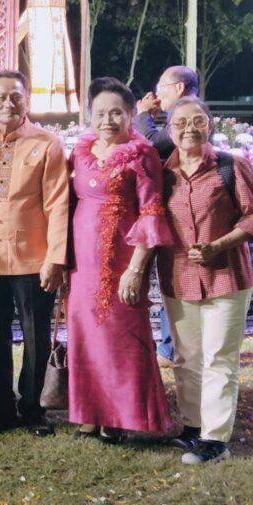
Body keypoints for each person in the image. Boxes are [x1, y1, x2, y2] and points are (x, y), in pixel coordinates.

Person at [157, 97, 253, 464]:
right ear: (169, 130)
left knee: (220, 357)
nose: (189, 129)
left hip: (227, 276)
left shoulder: (231, 166)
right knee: (186, 358)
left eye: (197, 121)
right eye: (180, 122)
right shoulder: (162, 174)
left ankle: (215, 439)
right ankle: (192, 427)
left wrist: (218, 245)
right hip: (178, 276)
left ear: (210, 124)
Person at [67, 77, 174, 443]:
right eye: (100, 113)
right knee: (85, 334)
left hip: (123, 260)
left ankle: (116, 417)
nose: (107, 120)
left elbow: (151, 211)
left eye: (116, 112)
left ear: (131, 114)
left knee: (120, 337)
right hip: (82, 261)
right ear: (90, 115)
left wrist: (135, 269)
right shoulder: (80, 151)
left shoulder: (142, 155)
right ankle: (88, 415)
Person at [0, 70, 69, 437]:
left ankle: (33, 408)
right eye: (1, 96)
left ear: (27, 99)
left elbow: (58, 204)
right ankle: (0, 409)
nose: (8, 103)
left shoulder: (47, 144)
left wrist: (55, 258)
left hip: (33, 258)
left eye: (16, 96)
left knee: (35, 337)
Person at [136, 65, 199, 367]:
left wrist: (142, 114)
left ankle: (170, 348)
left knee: (176, 278)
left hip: (183, 208)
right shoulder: (185, 112)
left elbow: (152, 143)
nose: (157, 94)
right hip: (177, 206)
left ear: (179, 88)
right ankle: (169, 346)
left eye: (162, 87)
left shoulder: (187, 114)